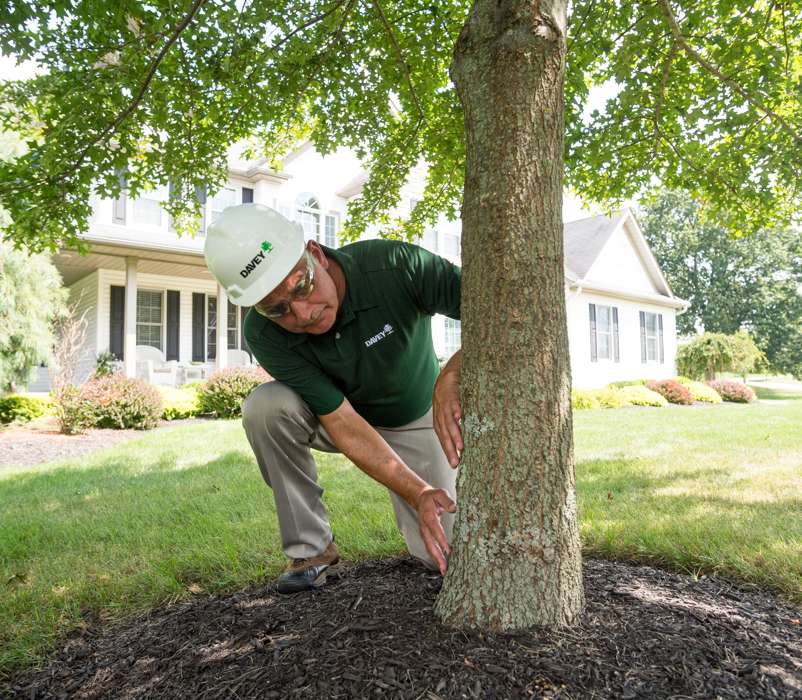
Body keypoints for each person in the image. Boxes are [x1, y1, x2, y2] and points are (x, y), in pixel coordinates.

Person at [204, 204, 464, 593]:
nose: (304, 314)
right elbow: (342, 421)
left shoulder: (395, 265)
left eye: (302, 286)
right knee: (266, 408)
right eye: (278, 309)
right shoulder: (264, 334)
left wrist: (454, 371)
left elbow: (493, 306)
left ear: (317, 254)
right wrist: (418, 492)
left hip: (417, 415)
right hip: (342, 419)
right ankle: (311, 550)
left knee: (444, 557)